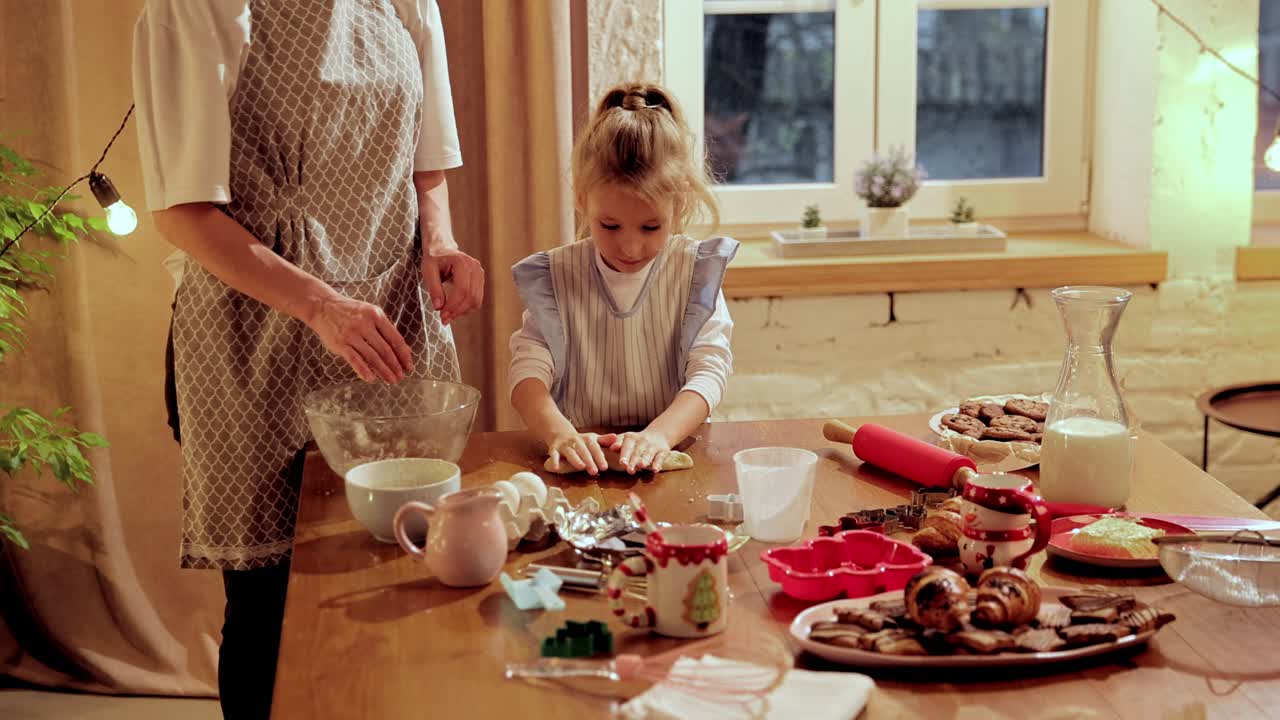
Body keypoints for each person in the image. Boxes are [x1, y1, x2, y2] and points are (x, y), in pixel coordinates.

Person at [132, 2, 483, 717]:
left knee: (399, 572)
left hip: (388, 323)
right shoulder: (192, 9)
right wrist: (319, 305)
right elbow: (183, 212)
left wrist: (440, 243)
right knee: (270, 609)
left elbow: (428, 163)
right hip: (248, 345)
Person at [509, 83, 736, 476]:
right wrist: (558, 434)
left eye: (650, 227)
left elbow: (710, 370)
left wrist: (659, 436)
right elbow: (527, 370)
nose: (630, 247)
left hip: (670, 456)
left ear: (679, 202)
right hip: (586, 464)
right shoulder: (557, 279)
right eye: (610, 225)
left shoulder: (694, 274)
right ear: (582, 199)